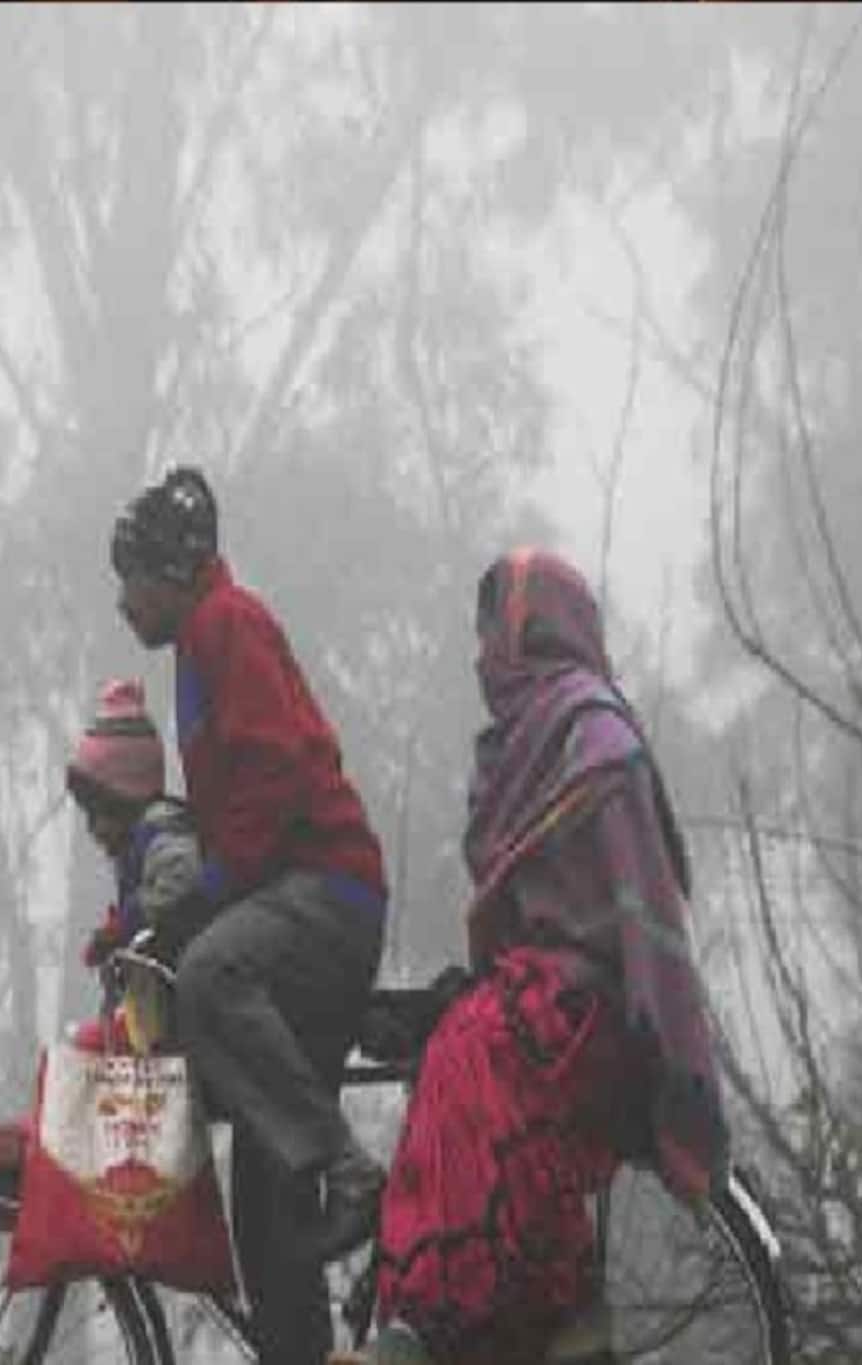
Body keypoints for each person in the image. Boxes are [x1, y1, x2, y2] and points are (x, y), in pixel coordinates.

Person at [363, 548, 729, 1365]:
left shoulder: (595, 736)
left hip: (596, 1011)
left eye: (491, 632)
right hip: (540, 999)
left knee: (476, 1048)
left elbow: (648, 914)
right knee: (456, 1043)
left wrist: (676, 1067)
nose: (480, 656)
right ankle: (526, 1315)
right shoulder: (520, 745)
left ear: (532, 629)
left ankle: (432, 1318)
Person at [109, 465, 390, 1365]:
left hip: (329, 889)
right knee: (269, 1219)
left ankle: (348, 1166)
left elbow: (274, 779)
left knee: (211, 972)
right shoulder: (199, 643)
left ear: (171, 573)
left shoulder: (226, 625)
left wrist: (211, 892)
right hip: (290, 901)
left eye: (131, 578)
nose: (123, 602)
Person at [63, 677, 202, 1052]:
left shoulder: (159, 831)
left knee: (90, 1052)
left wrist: (129, 922)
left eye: (98, 814)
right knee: (87, 1046)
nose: (94, 831)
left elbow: (182, 876)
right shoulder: (136, 848)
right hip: (161, 1007)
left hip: (186, 1003)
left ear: (124, 799)